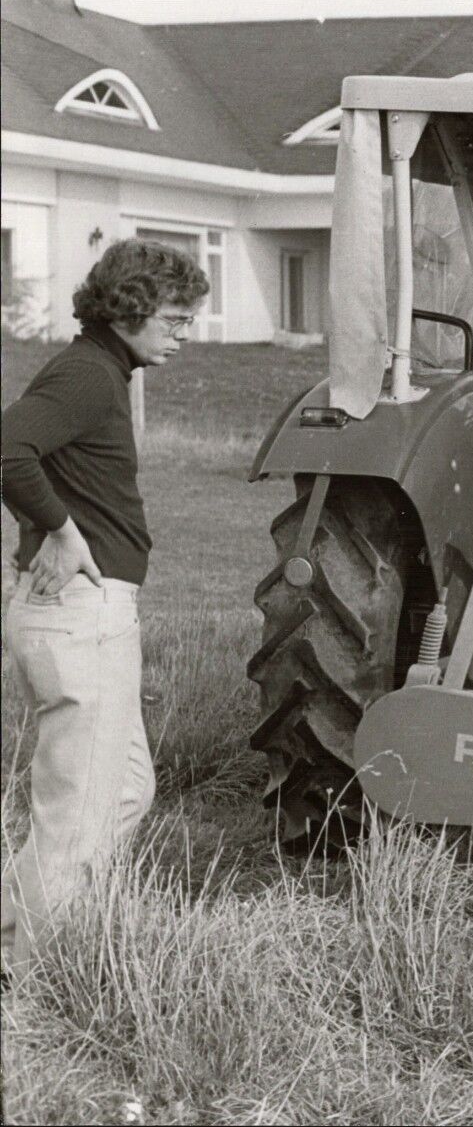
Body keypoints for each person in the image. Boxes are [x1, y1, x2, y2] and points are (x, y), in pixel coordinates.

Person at [1, 238, 209, 976]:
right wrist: (61, 530)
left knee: (122, 788)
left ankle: (12, 937)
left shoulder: (99, 368)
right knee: (79, 817)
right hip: (80, 614)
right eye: (177, 319)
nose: (184, 335)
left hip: (90, 610)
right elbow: (6, 448)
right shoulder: (89, 374)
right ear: (131, 307)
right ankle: (38, 990)